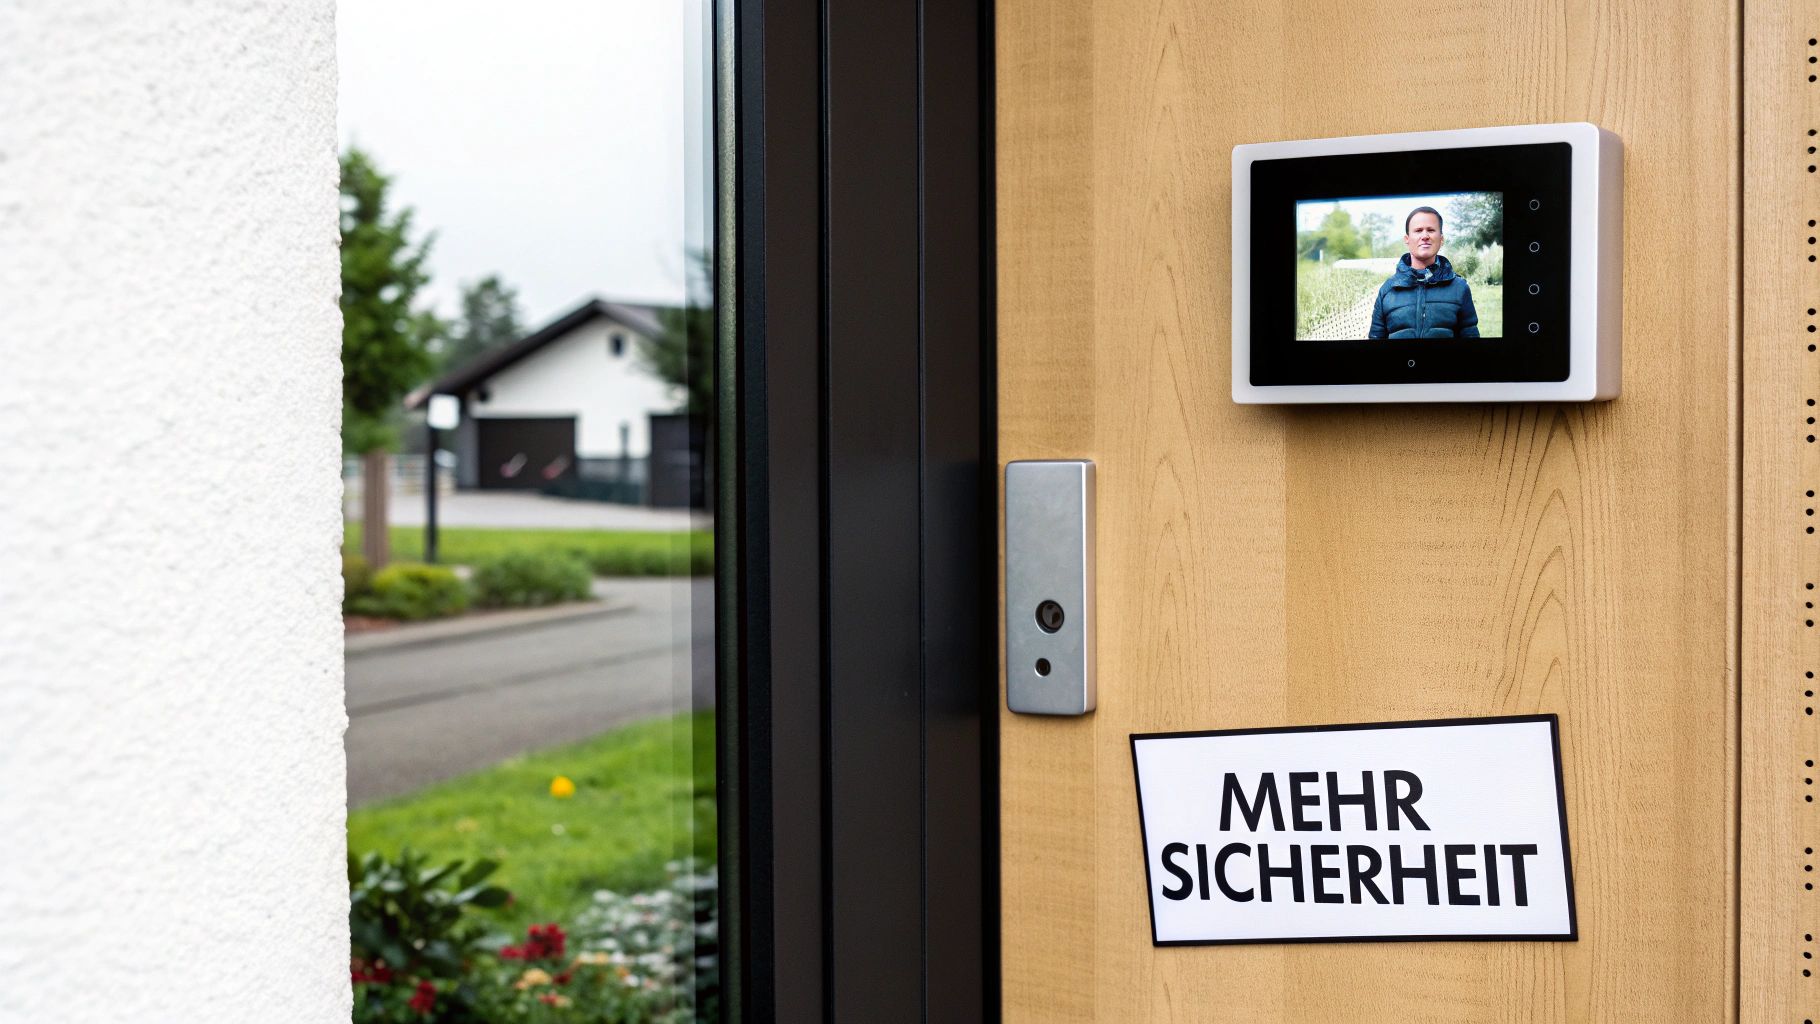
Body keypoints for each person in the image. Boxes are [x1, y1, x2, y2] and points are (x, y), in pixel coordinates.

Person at [1367, 206, 1479, 339]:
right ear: (1407, 239)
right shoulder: (1387, 290)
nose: (1425, 236)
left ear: (1441, 239)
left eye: (1431, 230)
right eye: (1418, 230)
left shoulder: (1460, 288)